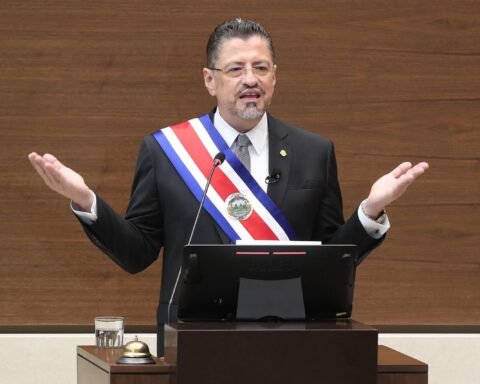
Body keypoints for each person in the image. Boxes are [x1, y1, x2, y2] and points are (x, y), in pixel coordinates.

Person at [28, 18, 429, 355]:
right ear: (209, 79)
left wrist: (370, 212)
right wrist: (85, 200)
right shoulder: (167, 151)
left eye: (261, 68)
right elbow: (137, 253)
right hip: (192, 344)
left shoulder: (314, 151)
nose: (249, 80)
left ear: (275, 76)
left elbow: (331, 258)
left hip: (292, 347)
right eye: (235, 69)